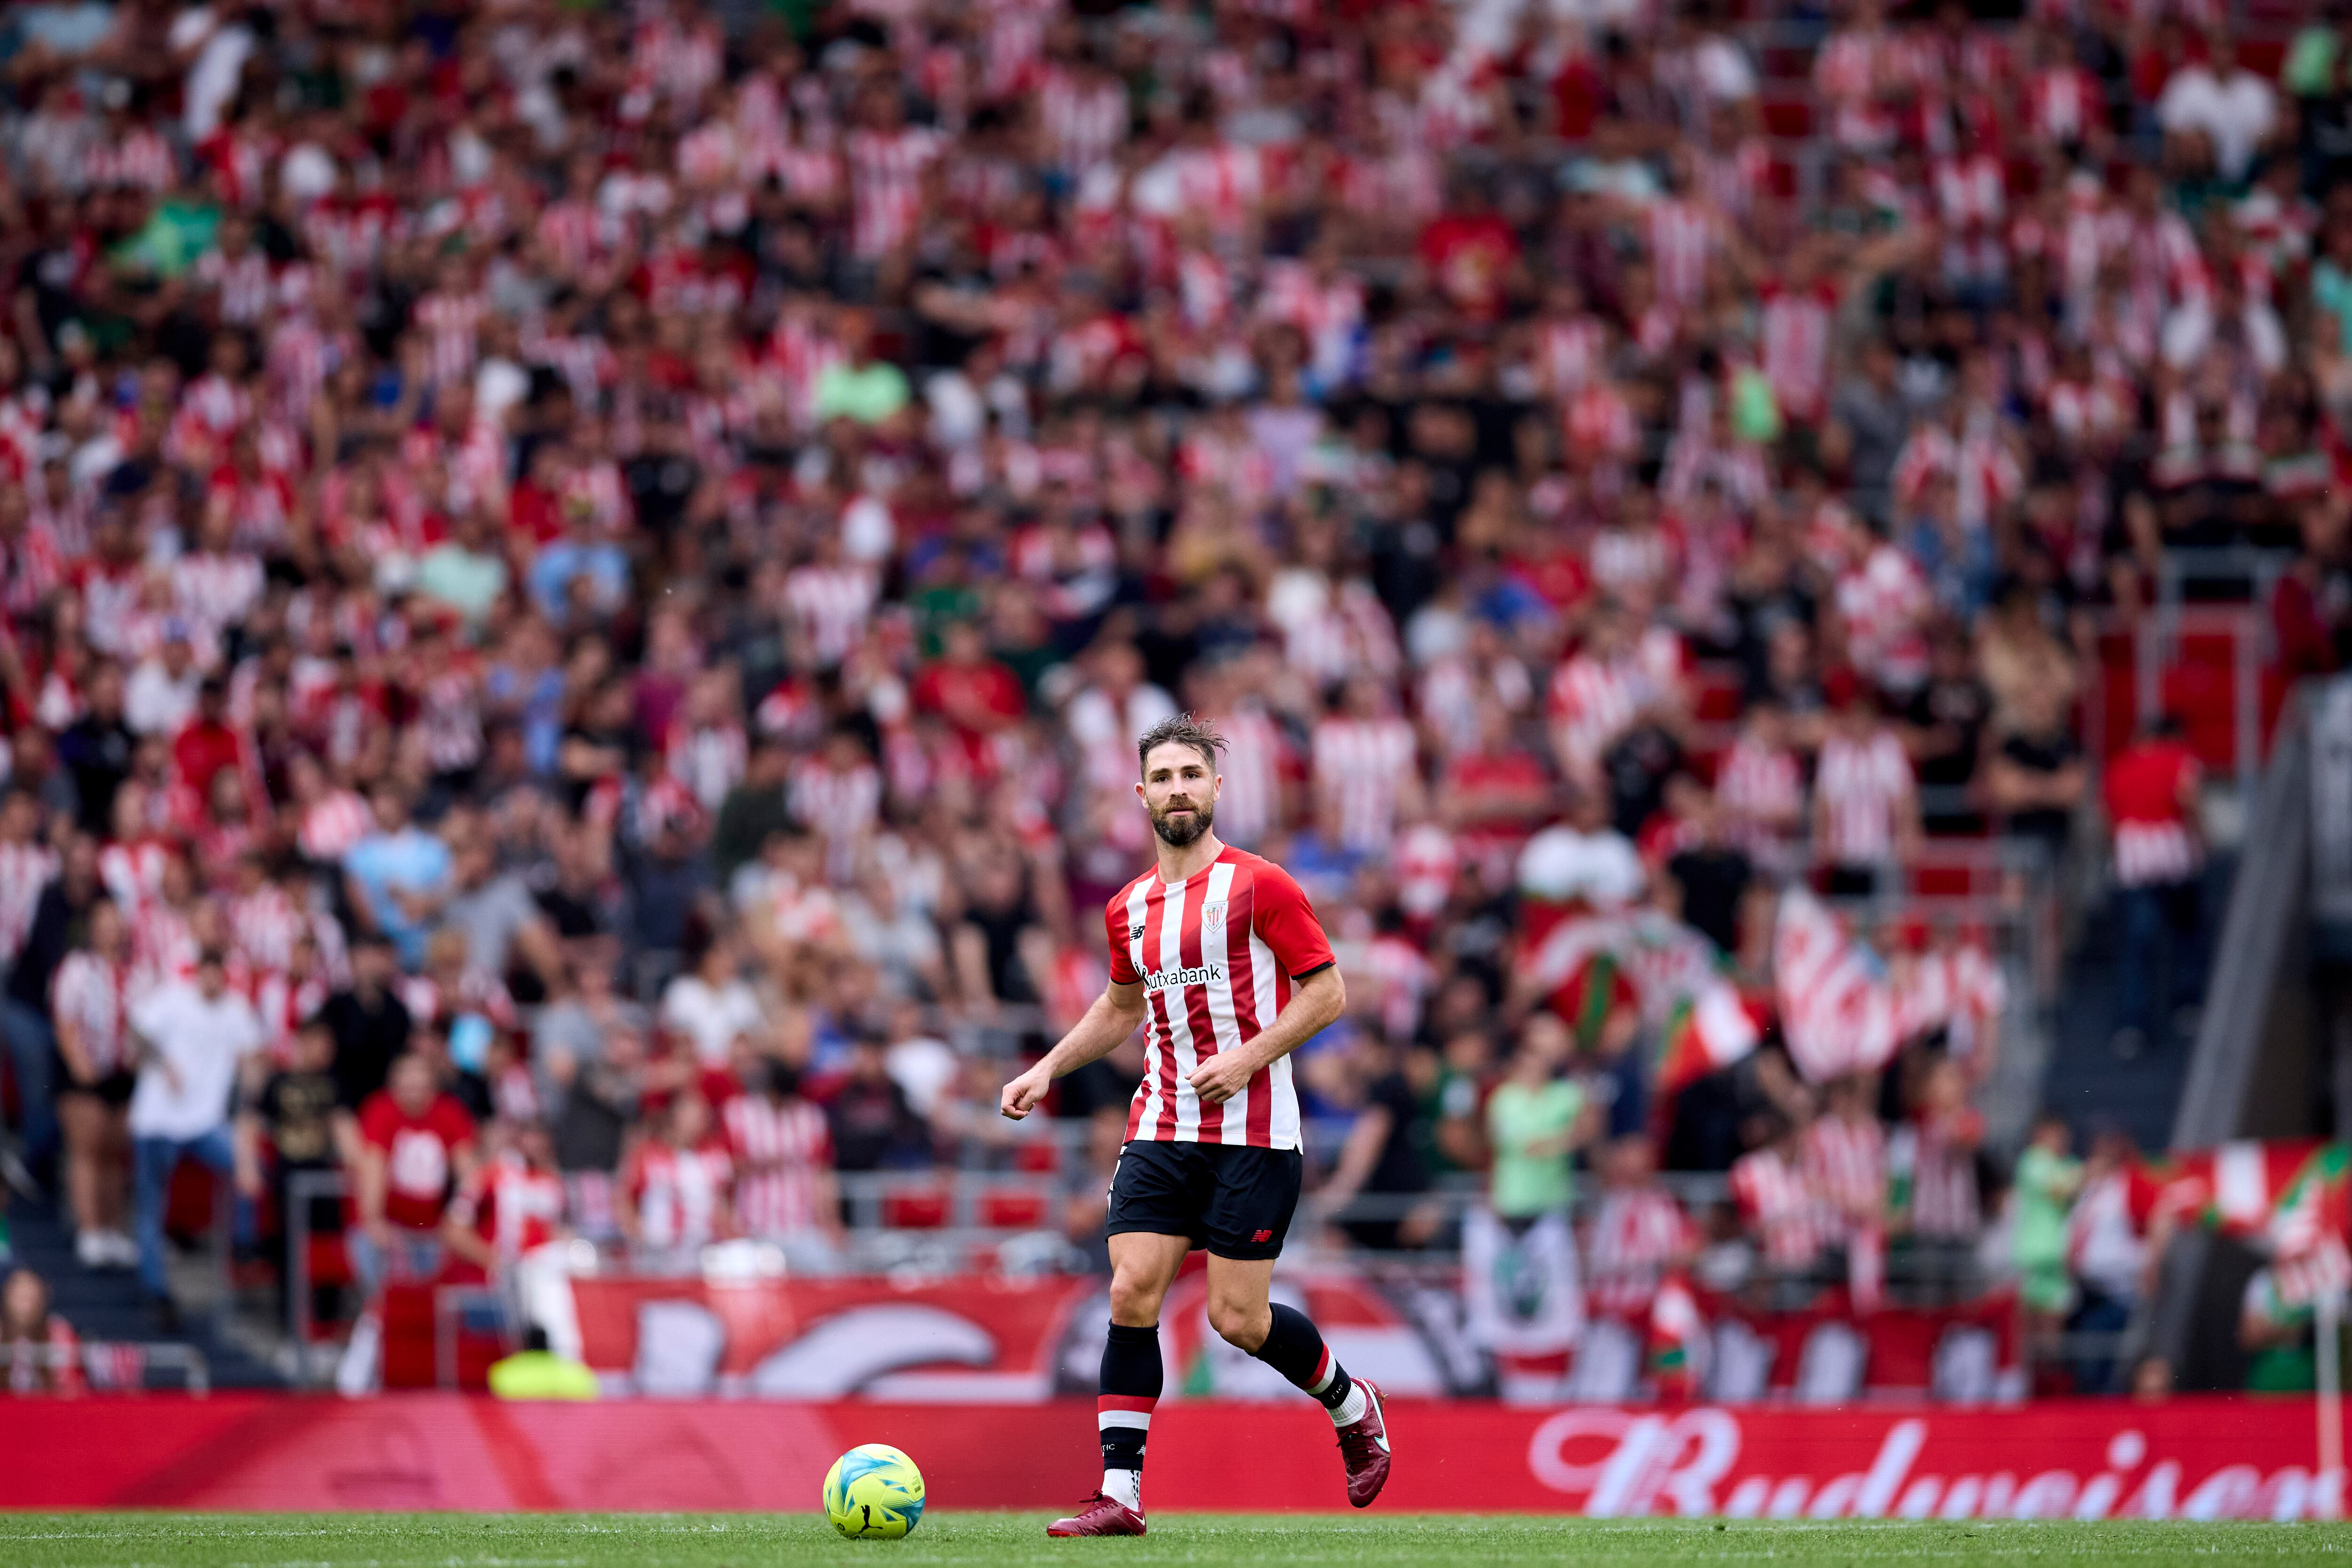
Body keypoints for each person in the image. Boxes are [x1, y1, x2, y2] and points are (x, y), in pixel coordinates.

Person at [999, 714, 1388, 1535]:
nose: (1178, 789)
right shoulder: (1128, 908)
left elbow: (1328, 992)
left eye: (1191, 774)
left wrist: (1248, 1057)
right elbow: (1118, 1007)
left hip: (1253, 1132)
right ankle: (1121, 1492)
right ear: (1141, 795)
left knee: (1237, 1321)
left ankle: (1352, 1405)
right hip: (1161, 1125)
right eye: (1163, 777)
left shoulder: (1262, 885)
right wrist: (1045, 1068)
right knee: (1131, 1288)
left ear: (1215, 788)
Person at [127, 948, 265, 1327]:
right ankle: (156, 1290)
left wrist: (247, 1085)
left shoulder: (236, 1010)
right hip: (157, 1120)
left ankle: (243, 1241)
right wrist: (163, 1063)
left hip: (204, 1121)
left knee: (250, 1165)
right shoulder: (173, 998)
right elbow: (137, 1031)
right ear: (198, 974)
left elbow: (254, 1057)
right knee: (151, 1206)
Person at [52, 899, 137, 1269]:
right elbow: (65, 1019)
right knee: (87, 1148)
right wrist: (79, 1063)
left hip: (124, 1074)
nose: (111, 929)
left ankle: (111, 1228)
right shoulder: (77, 968)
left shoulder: (137, 971)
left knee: (113, 1155)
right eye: (104, 922)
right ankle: (88, 1228)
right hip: (86, 1073)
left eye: (116, 922)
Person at [1, 1267, 80, 1395]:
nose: (26, 1306)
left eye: (31, 1297)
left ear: (42, 1299)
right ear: (8, 1297)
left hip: (48, 1409)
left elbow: (71, 1388)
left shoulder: (59, 1333)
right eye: (21, 1297)